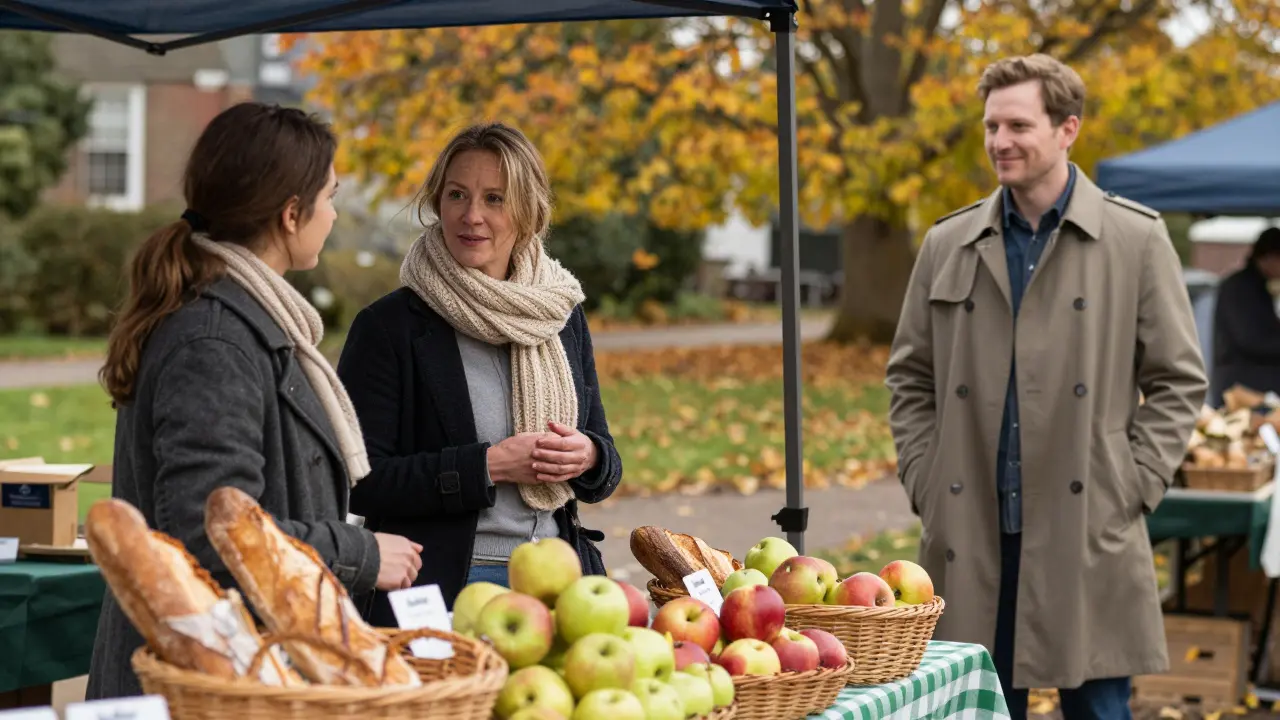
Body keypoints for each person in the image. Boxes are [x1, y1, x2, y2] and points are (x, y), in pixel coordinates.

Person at [885, 54, 1207, 720]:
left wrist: (1131, 484)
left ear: (1068, 130)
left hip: (1087, 530)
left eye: (1018, 125)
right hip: (971, 532)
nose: (1000, 141)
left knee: (1100, 711)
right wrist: (926, 478)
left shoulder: (1134, 239)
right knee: (976, 710)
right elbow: (910, 378)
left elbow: (1178, 380)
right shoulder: (948, 243)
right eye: (990, 126)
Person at [87, 102, 423, 699]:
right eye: (331, 196)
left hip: (240, 669)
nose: (335, 213)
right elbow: (208, 532)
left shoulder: (244, 320)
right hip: (205, 682)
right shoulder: (215, 340)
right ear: (292, 214)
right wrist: (361, 554)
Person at [336, 121, 622, 624]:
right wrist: (486, 467)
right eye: (457, 195)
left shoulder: (560, 312)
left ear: (529, 213)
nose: (472, 216)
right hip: (442, 589)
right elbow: (360, 481)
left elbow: (604, 459)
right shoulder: (390, 327)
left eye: (495, 199)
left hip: (559, 582)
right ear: (437, 202)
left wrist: (589, 454)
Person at [1211, 227, 1280, 404]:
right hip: (1242, 389)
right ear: (1271, 257)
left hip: (1251, 385)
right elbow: (1251, 339)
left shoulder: (1254, 287)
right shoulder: (1241, 288)